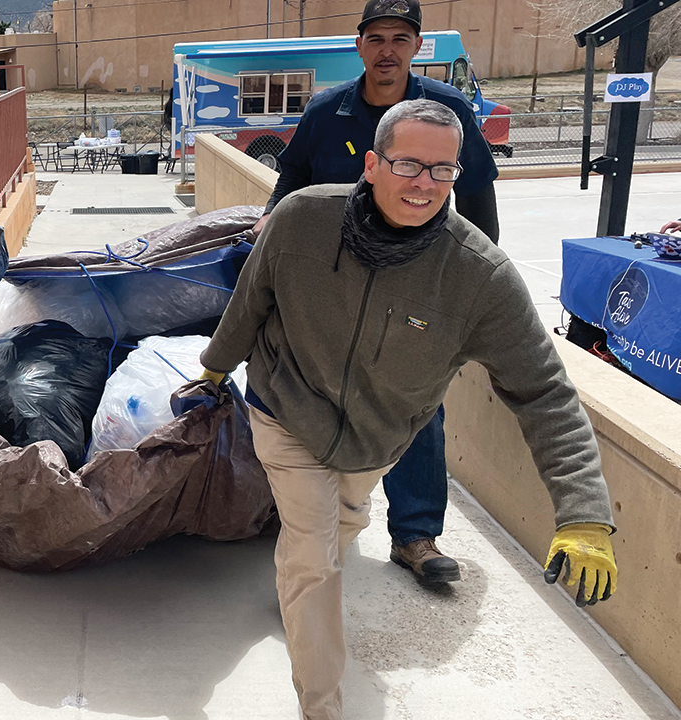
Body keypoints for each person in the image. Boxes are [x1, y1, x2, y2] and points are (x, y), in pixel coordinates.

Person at [199, 99, 618, 720]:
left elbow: (544, 392)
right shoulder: (302, 217)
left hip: (378, 436)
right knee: (314, 558)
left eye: (442, 170)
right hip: (286, 406)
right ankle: (322, 706)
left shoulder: (478, 275)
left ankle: (296, 584)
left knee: (334, 533)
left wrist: (584, 514)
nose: (424, 183)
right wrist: (215, 366)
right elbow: (251, 299)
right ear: (371, 164)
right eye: (408, 165)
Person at [251, 0, 501, 584]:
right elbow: (291, 181)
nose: (388, 50)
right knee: (309, 395)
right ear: (359, 45)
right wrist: (271, 221)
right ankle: (311, 522)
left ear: (416, 47)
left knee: (415, 402)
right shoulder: (326, 112)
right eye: (377, 38)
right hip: (329, 287)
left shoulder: (447, 110)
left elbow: (478, 197)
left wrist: (478, 279)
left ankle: (416, 535)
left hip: (414, 285)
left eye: (401, 38)